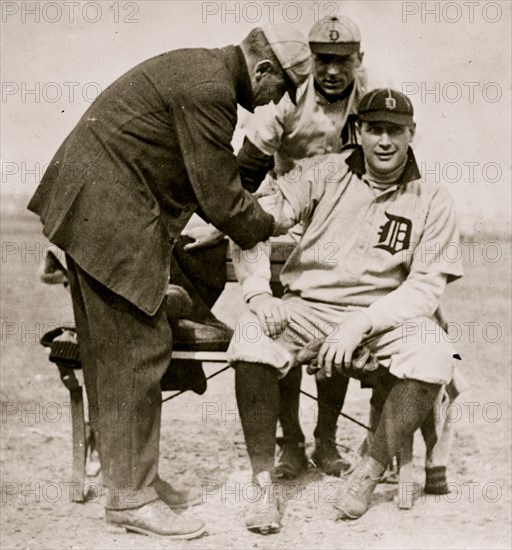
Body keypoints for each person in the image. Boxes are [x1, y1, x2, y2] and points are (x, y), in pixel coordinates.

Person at [27, 24, 311, 539]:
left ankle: (134, 482)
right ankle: (132, 499)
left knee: (113, 351)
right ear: (263, 69)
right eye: (281, 90)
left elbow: (203, 183)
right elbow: (221, 197)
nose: (277, 102)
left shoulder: (203, 72)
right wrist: (273, 223)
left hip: (96, 207)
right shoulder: (213, 91)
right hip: (110, 214)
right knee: (137, 349)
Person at [227, 89, 464, 533]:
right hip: (309, 308)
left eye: (395, 130)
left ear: (412, 134)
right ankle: (263, 486)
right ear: (359, 131)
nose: (384, 141)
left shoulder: (432, 198)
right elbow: (252, 221)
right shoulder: (322, 174)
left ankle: (369, 469)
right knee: (252, 336)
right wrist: (259, 293)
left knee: (434, 351)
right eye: (374, 129)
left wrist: (360, 324)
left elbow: (425, 287)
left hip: (382, 317)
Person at [191, 14, 370, 479]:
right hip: (284, 211)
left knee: (341, 318)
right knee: (280, 324)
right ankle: (289, 439)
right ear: (310, 59)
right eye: (323, 60)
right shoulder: (286, 98)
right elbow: (245, 173)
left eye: (342, 61)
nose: (332, 71)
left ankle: (326, 437)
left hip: (340, 220)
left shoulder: (372, 95)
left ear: (359, 60)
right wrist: (224, 222)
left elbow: (395, 158)